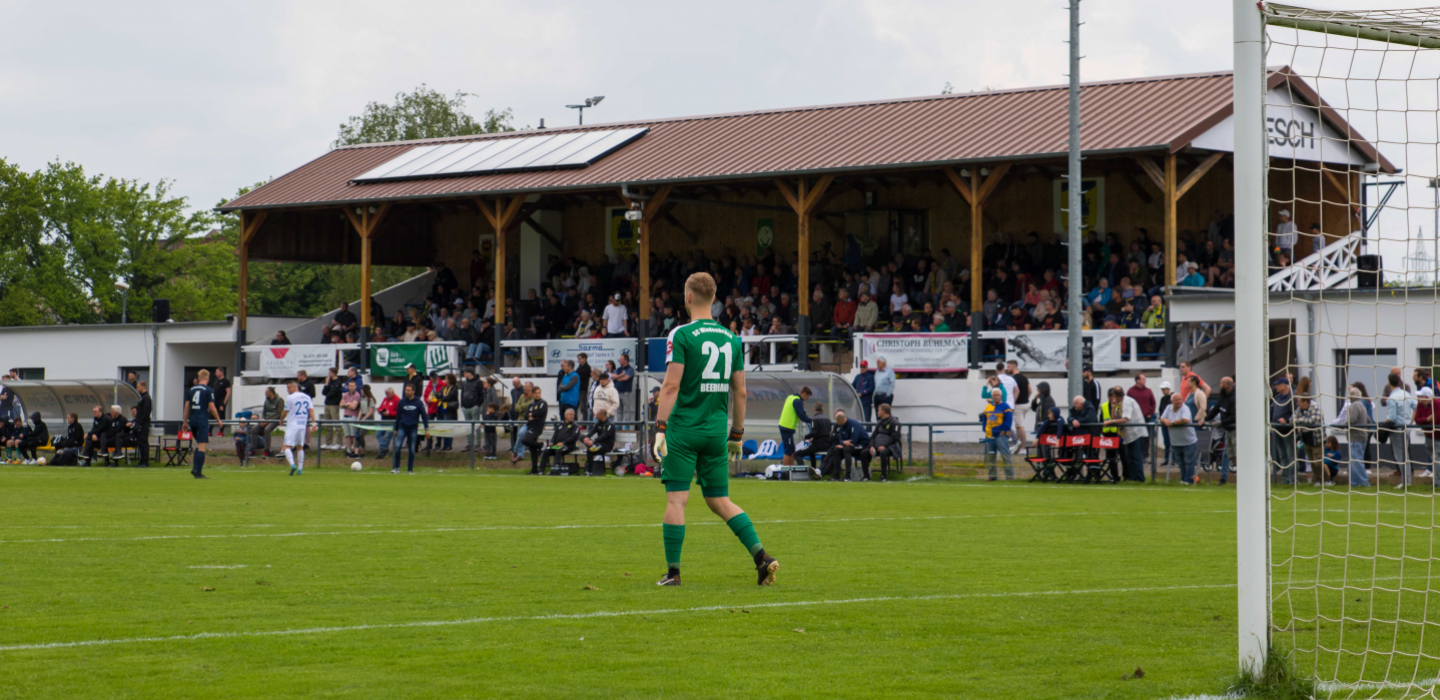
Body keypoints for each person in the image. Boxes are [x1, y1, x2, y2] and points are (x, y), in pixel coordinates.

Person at [652, 271, 778, 587]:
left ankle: (673, 573)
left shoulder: (681, 334)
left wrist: (659, 428)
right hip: (714, 433)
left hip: (683, 430)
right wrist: (736, 434)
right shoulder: (731, 338)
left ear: (688, 297)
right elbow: (741, 391)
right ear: (714, 299)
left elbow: (670, 385)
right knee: (720, 500)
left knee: (676, 501)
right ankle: (762, 557)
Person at [1102, 386, 1147, 482]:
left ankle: (1139, 478)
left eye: (1113, 395)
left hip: (1136, 433)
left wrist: (1110, 422)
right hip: (1129, 435)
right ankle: (1132, 477)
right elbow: (1114, 418)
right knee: (1130, 457)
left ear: (1116, 395)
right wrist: (1113, 408)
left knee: (1136, 457)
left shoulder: (1127, 402)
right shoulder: (1119, 403)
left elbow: (1125, 419)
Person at [186, 369, 222, 479]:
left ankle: (195, 468)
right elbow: (212, 407)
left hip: (192, 420)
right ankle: (198, 473)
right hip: (202, 420)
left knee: (198, 444)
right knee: (202, 447)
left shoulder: (191, 390)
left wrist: (184, 421)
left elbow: (186, 406)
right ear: (207, 378)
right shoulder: (208, 390)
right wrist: (218, 420)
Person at [280, 379, 317, 476]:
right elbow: (311, 411)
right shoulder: (307, 397)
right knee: (300, 447)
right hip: (302, 425)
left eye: (288, 387)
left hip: (292, 425)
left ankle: (292, 465)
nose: (287, 390)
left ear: (294, 387)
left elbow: (285, 411)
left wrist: (281, 419)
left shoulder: (290, 397)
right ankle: (300, 469)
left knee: (287, 446)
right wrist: (314, 424)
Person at [391, 383, 430, 474]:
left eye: (408, 390)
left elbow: (424, 416)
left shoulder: (418, 402)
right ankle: (396, 467)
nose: (406, 392)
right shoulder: (402, 402)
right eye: (406, 390)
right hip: (402, 427)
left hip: (413, 428)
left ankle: (410, 469)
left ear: (413, 391)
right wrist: (396, 428)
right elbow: (398, 416)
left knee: (412, 449)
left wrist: (426, 428)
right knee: (398, 446)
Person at [822, 410, 871, 481]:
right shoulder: (842, 425)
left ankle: (848, 476)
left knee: (846, 450)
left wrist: (844, 444)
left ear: (841, 420)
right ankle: (836, 476)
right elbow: (841, 438)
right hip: (849, 445)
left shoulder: (854, 424)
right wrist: (843, 442)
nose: (836, 423)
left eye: (837, 421)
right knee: (836, 449)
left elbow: (853, 441)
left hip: (862, 444)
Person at [1160, 392, 1198, 485]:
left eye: (1180, 399)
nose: (1179, 401)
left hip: (1188, 441)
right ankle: (1183, 479)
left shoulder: (1185, 408)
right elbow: (1162, 418)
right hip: (1175, 441)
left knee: (1189, 462)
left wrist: (1172, 423)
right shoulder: (1168, 408)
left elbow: (1185, 420)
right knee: (1180, 462)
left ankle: (1188, 480)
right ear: (1172, 401)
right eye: (1176, 400)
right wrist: (1165, 420)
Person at [1205, 377, 1237, 485]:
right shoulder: (1223, 396)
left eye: (1221, 383)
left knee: (1236, 454)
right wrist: (1205, 419)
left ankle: (1243, 477)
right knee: (1227, 454)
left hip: (1236, 430)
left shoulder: (1234, 398)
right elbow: (1216, 409)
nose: (1219, 385)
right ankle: (1223, 478)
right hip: (1228, 430)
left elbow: (1235, 417)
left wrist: (1221, 423)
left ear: (1227, 385)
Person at [980, 387, 1014, 481]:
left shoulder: (1006, 407)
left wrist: (1004, 430)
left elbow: (1008, 421)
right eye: (994, 395)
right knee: (990, 456)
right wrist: (984, 428)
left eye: (998, 395)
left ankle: (1010, 476)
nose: (996, 397)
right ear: (992, 396)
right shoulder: (988, 407)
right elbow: (984, 418)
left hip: (1001, 435)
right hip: (989, 435)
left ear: (1001, 396)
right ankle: (992, 476)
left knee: (1005, 455)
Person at [515, 385, 549, 474]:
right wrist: (532, 416)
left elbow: (539, 414)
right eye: (536, 393)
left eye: (539, 393)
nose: (538, 395)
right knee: (532, 449)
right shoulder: (531, 404)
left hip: (538, 427)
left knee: (525, 440)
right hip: (530, 426)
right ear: (533, 394)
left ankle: (541, 445)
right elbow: (526, 416)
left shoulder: (543, 403)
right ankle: (534, 469)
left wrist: (532, 415)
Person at [777, 386, 814, 466]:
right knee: (788, 450)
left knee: (792, 449)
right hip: (787, 427)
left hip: (784, 425)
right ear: (804, 394)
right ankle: (787, 471)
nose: (807, 399)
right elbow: (802, 416)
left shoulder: (791, 397)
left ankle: (791, 469)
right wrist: (813, 421)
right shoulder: (797, 401)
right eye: (807, 396)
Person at [1344, 386, 1372, 486]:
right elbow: (1369, 421)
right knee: (1354, 461)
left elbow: (1352, 420)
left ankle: (1364, 482)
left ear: (1351, 397)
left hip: (1356, 438)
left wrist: (1345, 422)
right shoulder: (1362, 405)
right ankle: (1354, 482)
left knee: (1356, 461)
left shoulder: (1355, 405)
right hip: (1362, 437)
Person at [794, 403, 833, 477]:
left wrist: (806, 437)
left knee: (796, 454)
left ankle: (803, 474)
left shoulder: (815, 419)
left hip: (818, 445)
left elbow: (814, 432)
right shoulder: (828, 419)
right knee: (811, 452)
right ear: (823, 409)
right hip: (827, 444)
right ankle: (815, 471)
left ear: (814, 409)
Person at [539, 408, 581, 474]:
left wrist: (563, 443)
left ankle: (556, 469)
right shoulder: (560, 425)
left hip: (568, 446)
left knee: (559, 450)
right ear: (565, 415)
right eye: (570, 414)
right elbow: (555, 435)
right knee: (546, 451)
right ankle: (541, 470)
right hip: (557, 445)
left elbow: (574, 438)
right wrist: (552, 442)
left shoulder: (575, 426)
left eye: (573, 415)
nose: (572, 416)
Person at [1271, 377, 1296, 486]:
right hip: (1277, 430)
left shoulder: (1292, 398)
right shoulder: (1277, 397)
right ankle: (1285, 479)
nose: (1276, 386)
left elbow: (1295, 413)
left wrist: (1287, 420)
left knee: (1290, 455)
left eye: (1278, 384)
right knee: (1282, 456)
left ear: (1285, 385)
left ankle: (1293, 480)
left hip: (1288, 430)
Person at [869, 404, 902, 481]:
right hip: (877, 446)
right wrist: (872, 446)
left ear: (883, 411)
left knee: (883, 452)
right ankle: (866, 476)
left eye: (878, 410)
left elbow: (895, 437)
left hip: (891, 446)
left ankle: (883, 476)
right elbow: (873, 436)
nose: (877, 412)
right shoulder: (879, 422)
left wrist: (884, 446)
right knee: (864, 452)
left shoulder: (894, 422)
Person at [581, 407, 616, 474]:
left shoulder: (610, 424)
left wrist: (593, 441)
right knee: (582, 437)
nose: (595, 416)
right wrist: (586, 438)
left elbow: (605, 436)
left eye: (597, 415)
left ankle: (590, 471)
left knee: (590, 450)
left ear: (602, 415)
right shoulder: (598, 423)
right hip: (597, 444)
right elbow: (592, 432)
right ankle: (590, 445)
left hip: (606, 445)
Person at [1006, 360, 1031, 448]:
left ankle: (1023, 447)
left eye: (1008, 367)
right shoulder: (1024, 377)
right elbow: (1030, 391)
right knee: (1018, 426)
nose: (1007, 368)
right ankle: (1019, 446)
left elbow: (1014, 392)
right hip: (1026, 404)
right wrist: (1026, 398)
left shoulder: (1013, 379)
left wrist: (1013, 402)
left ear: (1013, 367)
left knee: (1020, 426)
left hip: (1018, 405)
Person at [320, 368, 344, 450]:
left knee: (336, 424)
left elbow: (330, 394)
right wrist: (326, 383)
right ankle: (328, 442)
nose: (328, 373)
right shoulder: (329, 382)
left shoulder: (338, 382)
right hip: (327, 404)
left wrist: (328, 392)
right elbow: (324, 392)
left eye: (330, 372)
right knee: (328, 425)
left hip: (334, 405)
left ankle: (339, 443)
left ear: (334, 373)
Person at [459, 367, 482, 452]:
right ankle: (469, 444)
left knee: (476, 426)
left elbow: (481, 394)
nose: (464, 374)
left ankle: (478, 443)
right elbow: (462, 393)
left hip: (474, 406)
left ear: (470, 373)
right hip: (466, 406)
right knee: (467, 427)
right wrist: (462, 405)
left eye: (465, 372)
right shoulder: (465, 382)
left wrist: (478, 405)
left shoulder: (478, 382)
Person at [133, 381, 153, 466]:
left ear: (143, 386)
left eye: (138, 387)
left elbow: (146, 412)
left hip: (144, 423)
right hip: (140, 422)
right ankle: (141, 460)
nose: (137, 389)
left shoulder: (146, 398)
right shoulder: (142, 397)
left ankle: (145, 461)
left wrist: (141, 423)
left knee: (143, 442)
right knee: (140, 442)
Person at [612, 354, 635, 420]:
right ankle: (619, 426)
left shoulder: (630, 369)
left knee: (627, 410)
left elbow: (626, 378)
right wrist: (620, 375)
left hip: (625, 392)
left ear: (626, 360)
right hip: (617, 392)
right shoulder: (619, 369)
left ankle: (627, 426)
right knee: (619, 410)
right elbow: (612, 377)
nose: (619, 361)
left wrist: (617, 378)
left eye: (621, 359)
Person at [212, 368, 232, 436]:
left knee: (221, 416)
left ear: (221, 372)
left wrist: (224, 402)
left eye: (217, 372)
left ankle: (221, 431)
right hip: (215, 401)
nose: (215, 374)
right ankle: (209, 431)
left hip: (221, 402)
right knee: (212, 415)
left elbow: (228, 392)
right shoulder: (216, 381)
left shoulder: (226, 381)